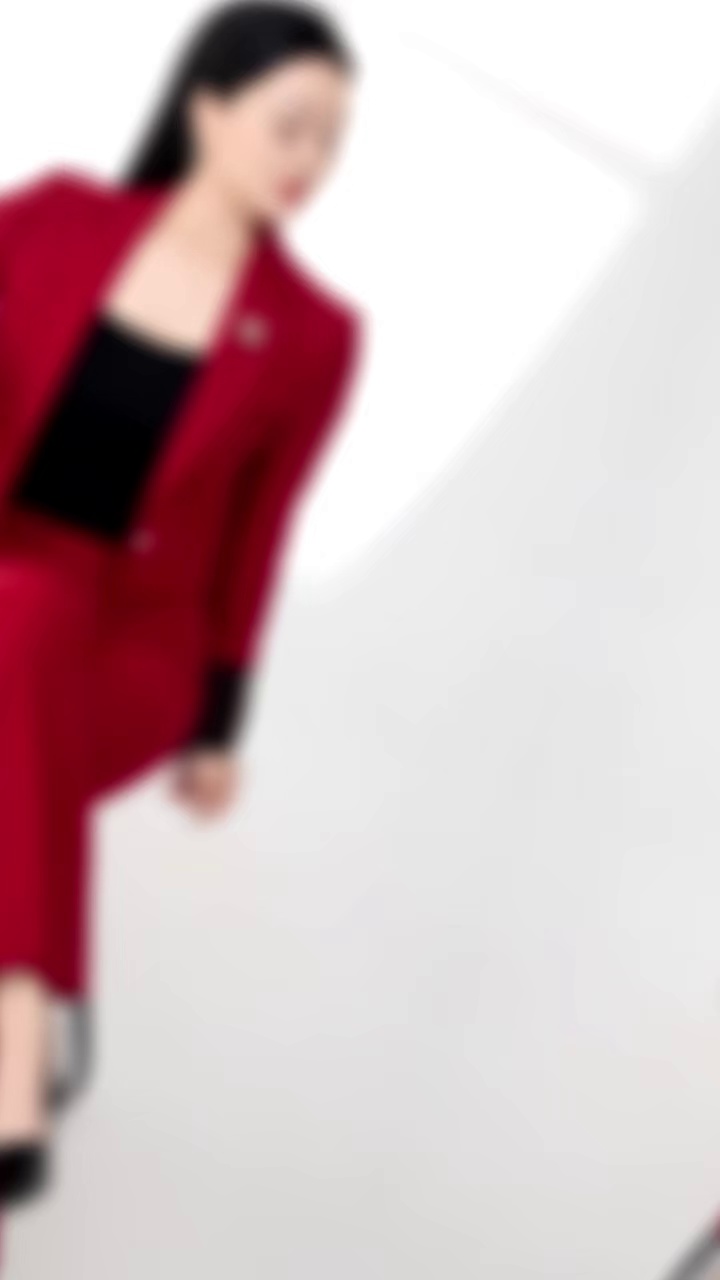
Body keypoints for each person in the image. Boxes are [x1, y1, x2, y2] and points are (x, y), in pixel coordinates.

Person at [0, 0, 363, 1205]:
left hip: (134, 642)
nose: (310, 161)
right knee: (18, 613)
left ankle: (13, 1032)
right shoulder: (50, 218)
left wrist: (219, 726)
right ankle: (22, 1044)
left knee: (23, 619)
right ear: (205, 108)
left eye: (332, 141)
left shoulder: (313, 337)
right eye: (289, 125)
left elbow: (259, 538)